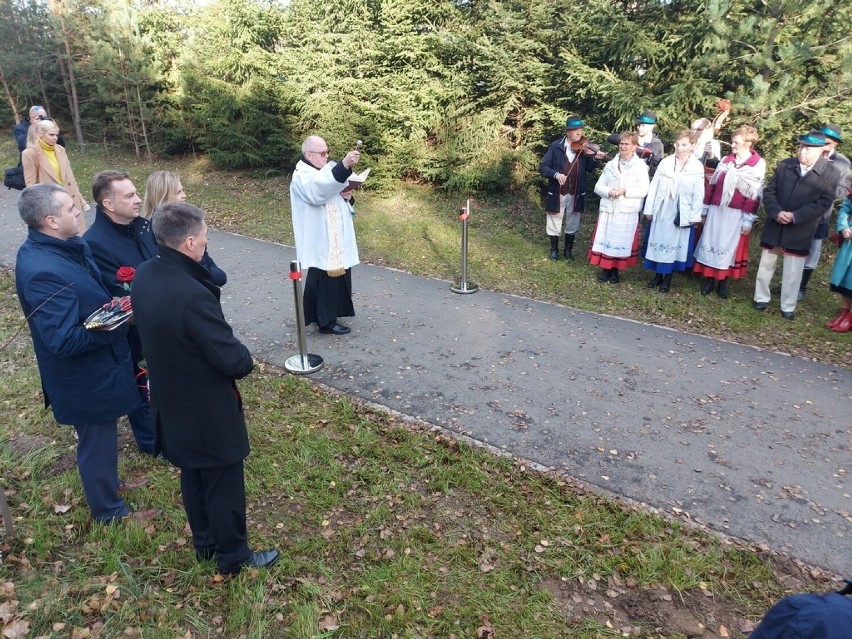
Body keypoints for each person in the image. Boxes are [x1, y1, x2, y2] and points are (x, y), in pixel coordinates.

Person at [130, 201, 279, 576]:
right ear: (192, 243)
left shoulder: (146, 273)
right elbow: (233, 360)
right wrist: (246, 355)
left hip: (170, 399)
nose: (208, 242)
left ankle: (206, 544)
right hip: (206, 407)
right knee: (224, 482)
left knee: (193, 475)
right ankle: (233, 557)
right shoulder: (191, 294)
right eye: (207, 236)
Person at [14, 184, 157, 524]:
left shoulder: (65, 248)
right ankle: (110, 512)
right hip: (84, 378)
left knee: (105, 439)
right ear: (50, 221)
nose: (79, 211)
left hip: (100, 368)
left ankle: (112, 484)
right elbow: (62, 340)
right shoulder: (43, 271)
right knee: (96, 442)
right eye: (70, 209)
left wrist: (110, 306)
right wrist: (118, 321)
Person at [83, 171, 156, 454]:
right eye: (129, 196)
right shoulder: (96, 242)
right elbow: (117, 292)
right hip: (135, 330)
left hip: (160, 318)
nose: (138, 200)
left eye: (136, 193)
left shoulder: (142, 226)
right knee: (142, 382)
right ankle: (151, 442)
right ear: (108, 204)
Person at [754, 129, 842, 320]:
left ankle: (787, 305)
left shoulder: (831, 173)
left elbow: (824, 203)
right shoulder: (786, 165)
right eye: (801, 147)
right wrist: (777, 212)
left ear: (820, 151)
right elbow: (769, 192)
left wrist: (795, 216)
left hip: (801, 227)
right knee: (766, 263)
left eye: (808, 149)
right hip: (776, 223)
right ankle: (761, 297)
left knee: (793, 269)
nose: (802, 152)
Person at [290, 135, 361, 335]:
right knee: (325, 277)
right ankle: (326, 322)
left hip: (333, 235)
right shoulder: (302, 174)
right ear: (308, 154)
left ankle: (318, 314)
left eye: (327, 152)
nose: (326, 156)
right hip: (320, 236)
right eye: (322, 153)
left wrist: (348, 196)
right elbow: (318, 192)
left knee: (323, 276)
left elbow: (333, 191)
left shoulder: (322, 170)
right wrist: (344, 164)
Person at [693, 125, 766, 299]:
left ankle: (722, 282)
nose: (732, 145)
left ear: (748, 143)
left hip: (736, 213)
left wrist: (748, 220)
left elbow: (753, 195)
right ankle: (709, 279)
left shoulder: (757, 165)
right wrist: (705, 208)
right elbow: (713, 186)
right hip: (718, 209)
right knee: (713, 241)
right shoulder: (726, 160)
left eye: (736, 142)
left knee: (728, 245)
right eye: (733, 142)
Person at [642, 130, 705, 293]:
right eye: (678, 144)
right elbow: (654, 185)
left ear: (692, 146)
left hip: (680, 210)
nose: (680, 148)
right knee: (659, 240)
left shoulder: (696, 166)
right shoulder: (666, 162)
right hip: (663, 207)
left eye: (684, 145)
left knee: (673, 244)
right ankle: (657, 275)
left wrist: (694, 215)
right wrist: (648, 208)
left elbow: (699, 193)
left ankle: (667, 278)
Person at [141, 170, 226, 286]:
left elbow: (209, 264)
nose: (184, 195)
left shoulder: (186, 221)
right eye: (179, 192)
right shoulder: (152, 233)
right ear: (165, 197)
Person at [796, 124, 850, 301]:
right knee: (795, 246)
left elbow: (843, 190)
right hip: (799, 209)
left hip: (821, 214)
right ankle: (790, 282)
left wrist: (820, 192)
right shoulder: (808, 154)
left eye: (825, 142)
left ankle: (802, 286)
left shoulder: (842, 163)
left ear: (833, 143)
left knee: (813, 249)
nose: (821, 145)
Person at [539, 115, 605, 261]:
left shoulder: (584, 147)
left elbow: (588, 169)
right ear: (567, 132)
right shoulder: (556, 146)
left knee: (573, 221)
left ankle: (568, 250)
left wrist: (595, 159)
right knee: (554, 219)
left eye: (580, 130)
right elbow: (543, 167)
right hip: (558, 191)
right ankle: (554, 249)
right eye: (575, 130)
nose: (579, 133)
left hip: (576, 191)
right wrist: (555, 174)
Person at [588, 131, 650, 283]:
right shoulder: (610, 165)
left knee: (620, 241)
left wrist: (625, 191)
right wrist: (609, 191)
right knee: (608, 238)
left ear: (634, 147)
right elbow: (598, 186)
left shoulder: (640, 166)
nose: (623, 146)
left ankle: (615, 271)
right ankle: (605, 269)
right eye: (621, 143)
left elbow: (644, 190)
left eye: (627, 144)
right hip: (609, 207)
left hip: (626, 210)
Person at [21, 119, 88, 230]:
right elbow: (31, 186)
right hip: (51, 205)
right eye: (51, 134)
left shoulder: (60, 149)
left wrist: (81, 199)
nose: (55, 138)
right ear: (40, 134)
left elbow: (70, 178)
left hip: (70, 199)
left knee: (78, 233)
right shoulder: (30, 153)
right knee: (59, 236)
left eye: (56, 135)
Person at [826, 192, 852, 332]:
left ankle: (850, 318)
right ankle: (844, 312)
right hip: (849, 242)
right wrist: (844, 227)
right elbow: (845, 208)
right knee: (845, 279)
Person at [634, 110, 664, 176]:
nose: (639, 128)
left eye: (643, 125)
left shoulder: (657, 144)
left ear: (651, 126)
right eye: (638, 125)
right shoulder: (633, 139)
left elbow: (656, 167)